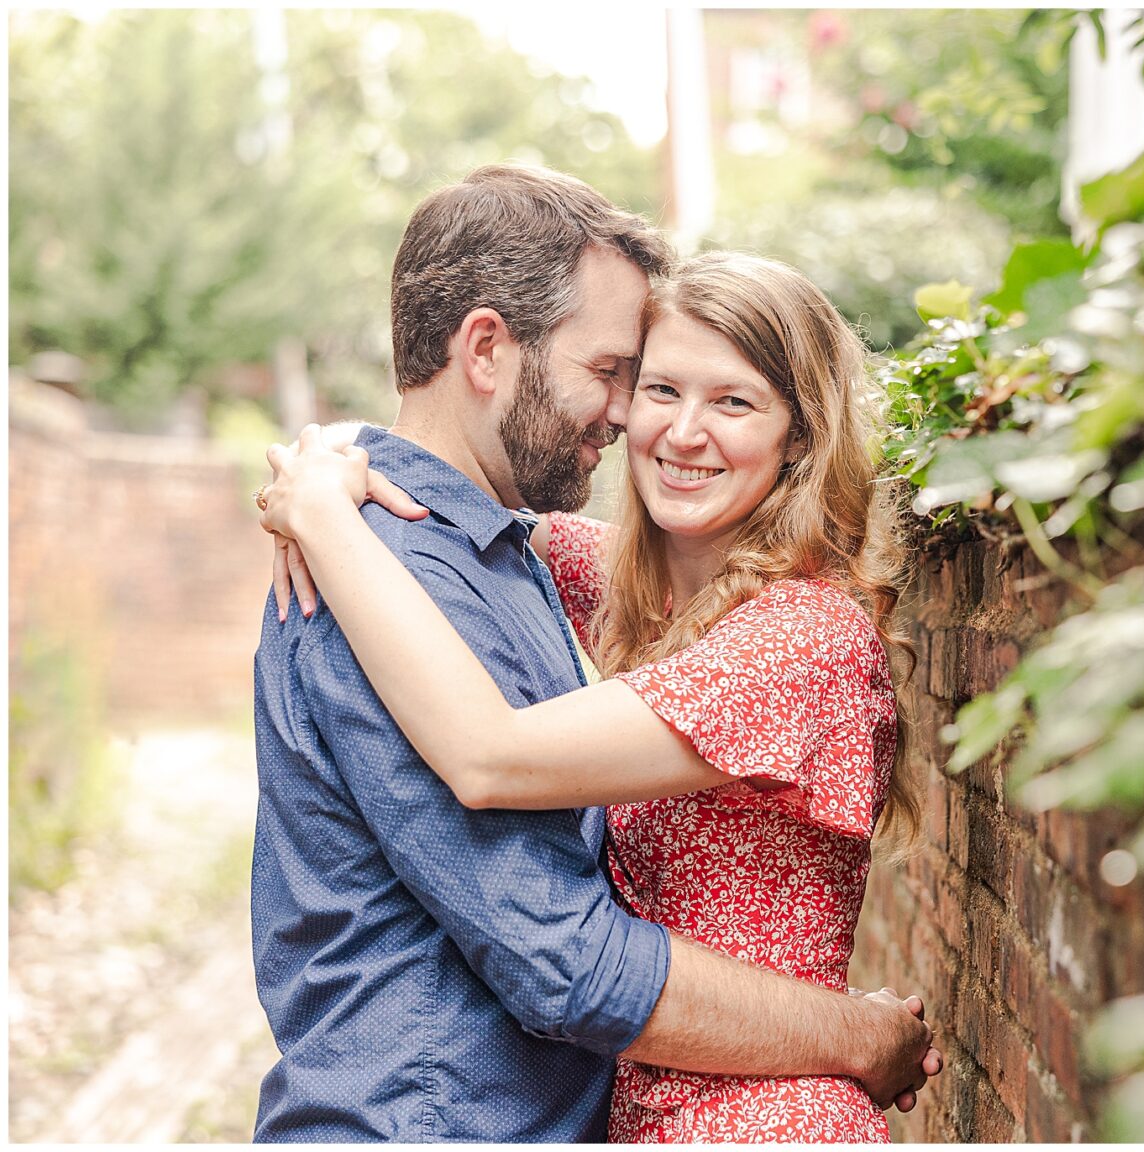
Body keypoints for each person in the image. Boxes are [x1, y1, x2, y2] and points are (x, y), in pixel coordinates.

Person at [250, 166, 936, 1143]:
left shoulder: (797, 635)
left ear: (799, 437)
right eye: (636, 379)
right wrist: (322, 471)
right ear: (485, 349)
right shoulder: (472, 569)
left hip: (761, 1116)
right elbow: (557, 945)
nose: (644, 423)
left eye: (734, 403)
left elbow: (495, 759)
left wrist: (327, 501)